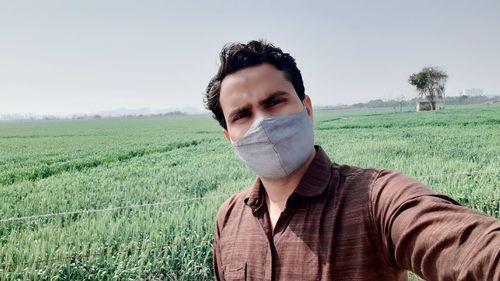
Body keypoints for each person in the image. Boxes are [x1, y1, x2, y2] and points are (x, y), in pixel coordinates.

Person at [203, 40, 499, 281]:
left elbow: (473, 248)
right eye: (242, 115)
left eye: (275, 102)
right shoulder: (229, 218)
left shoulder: (375, 198)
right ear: (229, 136)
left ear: (307, 109)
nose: (263, 123)